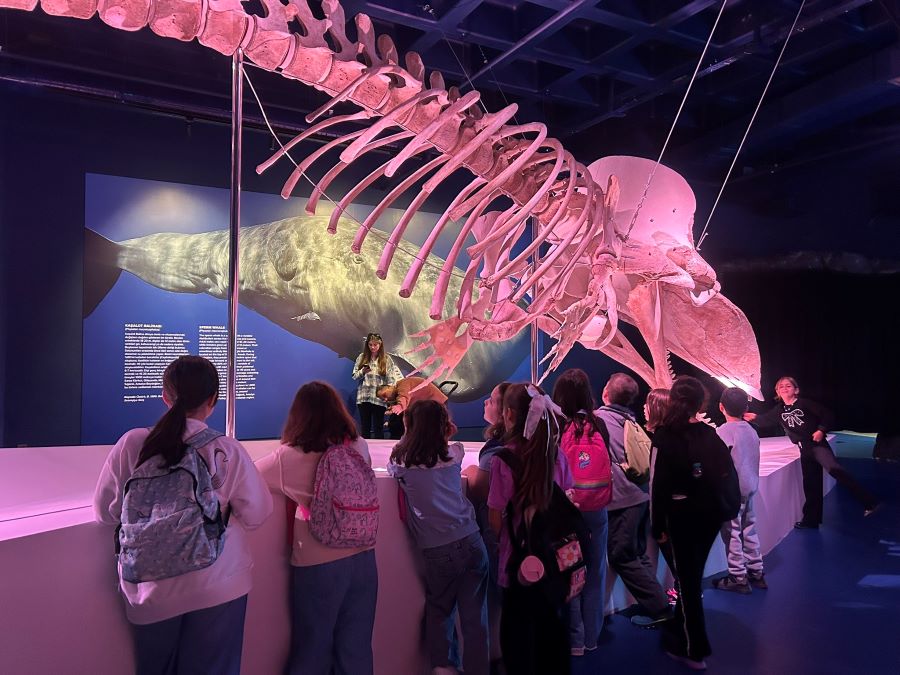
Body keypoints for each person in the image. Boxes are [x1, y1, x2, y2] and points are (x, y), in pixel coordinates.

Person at [93, 355, 273, 675]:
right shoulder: (226, 450)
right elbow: (257, 513)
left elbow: (105, 512)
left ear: (165, 396)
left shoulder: (133, 444)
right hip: (218, 582)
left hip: (149, 591)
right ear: (213, 400)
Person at [256, 381, 377, 675]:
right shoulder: (359, 446)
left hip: (318, 563)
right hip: (364, 558)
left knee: (312, 649)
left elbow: (249, 475)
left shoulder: (288, 458)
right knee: (357, 649)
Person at [388, 400, 489, 675]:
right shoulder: (453, 453)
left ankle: (445, 668)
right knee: (475, 619)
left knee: (440, 611)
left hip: (437, 549)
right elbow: (449, 442)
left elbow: (396, 460)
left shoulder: (402, 463)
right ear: (443, 426)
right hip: (471, 540)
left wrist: (409, 434)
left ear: (409, 427)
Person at [651, 376, 739, 671]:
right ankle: (681, 631)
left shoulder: (665, 437)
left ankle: (694, 650)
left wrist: (657, 524)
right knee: (691, 576)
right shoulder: (710, 434)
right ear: (701, 402)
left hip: (683, 517)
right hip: (710, 516)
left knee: (688, 583)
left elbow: (657, 485)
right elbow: (725, 474)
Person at [487, 383, 575, 675]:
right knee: (552, 633)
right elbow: (568, 497)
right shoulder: (556, 455)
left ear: (509, 414)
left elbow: (495, 517)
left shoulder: (503, 460)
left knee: (517, 638)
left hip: (518, 565)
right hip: (555, 563)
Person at [746, 376, 879, 528]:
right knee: (811, 484)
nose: (784, 388)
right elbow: (765, 420)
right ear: (777, 392)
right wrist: (754, 418)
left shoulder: (804, 403)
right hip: (804, 449)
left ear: (796, 390)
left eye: (788, 386)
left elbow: (827, 414)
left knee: (836, 471)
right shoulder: (779, 410)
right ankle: (811, 520)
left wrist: (821, 430)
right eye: (781, 386)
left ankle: (870, 502)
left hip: (817, 446)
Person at [596, 373, 671, 627]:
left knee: (622, 556)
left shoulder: (598, 419)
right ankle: (658, 601)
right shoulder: (631, 419)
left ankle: (660, 608)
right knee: (636, 552)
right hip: (640, 496)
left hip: (622, 499)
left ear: (606, 394)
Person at [552, 369, 612, 657]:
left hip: (567, 512)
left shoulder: (555, 425)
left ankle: (574, 640)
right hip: (597, 508)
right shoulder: (599, 424)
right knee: (596, 572)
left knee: (570, 573)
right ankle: (592, 637)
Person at [462, 382, 511, 672]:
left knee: (504, 595)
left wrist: (471, 472)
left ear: (505, 412)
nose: (485, 403)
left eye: (491, 400)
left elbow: (481, 488)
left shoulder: (498, 450)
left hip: (499, 533)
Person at [713, 387, 766, 594]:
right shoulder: (751, 430)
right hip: (750, 488)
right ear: (745, 408)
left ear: (721, 407)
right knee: (749, 528)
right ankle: (756, 571)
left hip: (732, 493)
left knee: (732, 532)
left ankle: (738, 576)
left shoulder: (723, 432)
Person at [352, 332, 402, 439]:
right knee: (365, 428)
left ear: (380, 344)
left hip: (379, 399)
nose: (373, 347)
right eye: (370, 344)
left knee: (378, 428)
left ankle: (379, 449)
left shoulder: (386, 359)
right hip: (364, 398)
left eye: (375, 345)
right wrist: (363, 371)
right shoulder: (361, 357)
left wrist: (389, 397)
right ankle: (365, 449)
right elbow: (354, 376)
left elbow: (391, 380)